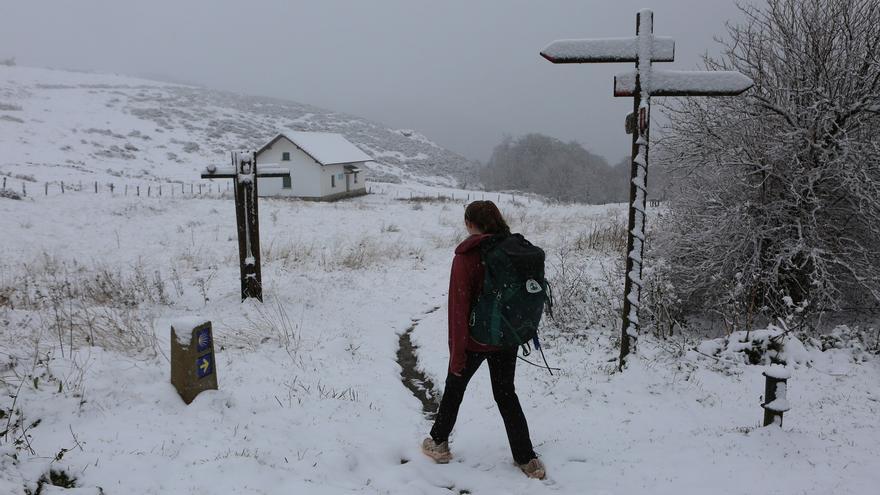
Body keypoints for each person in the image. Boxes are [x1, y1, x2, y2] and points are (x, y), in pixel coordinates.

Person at [421, 200, 546, 480]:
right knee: (506, 394)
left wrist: (457, 353)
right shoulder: (513, 250)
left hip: (476, 340)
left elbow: (458, 309)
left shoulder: (466, 258)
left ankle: (438, 443)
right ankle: (527, 459)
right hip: (506, 336)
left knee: (455, 387)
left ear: (469, 224)